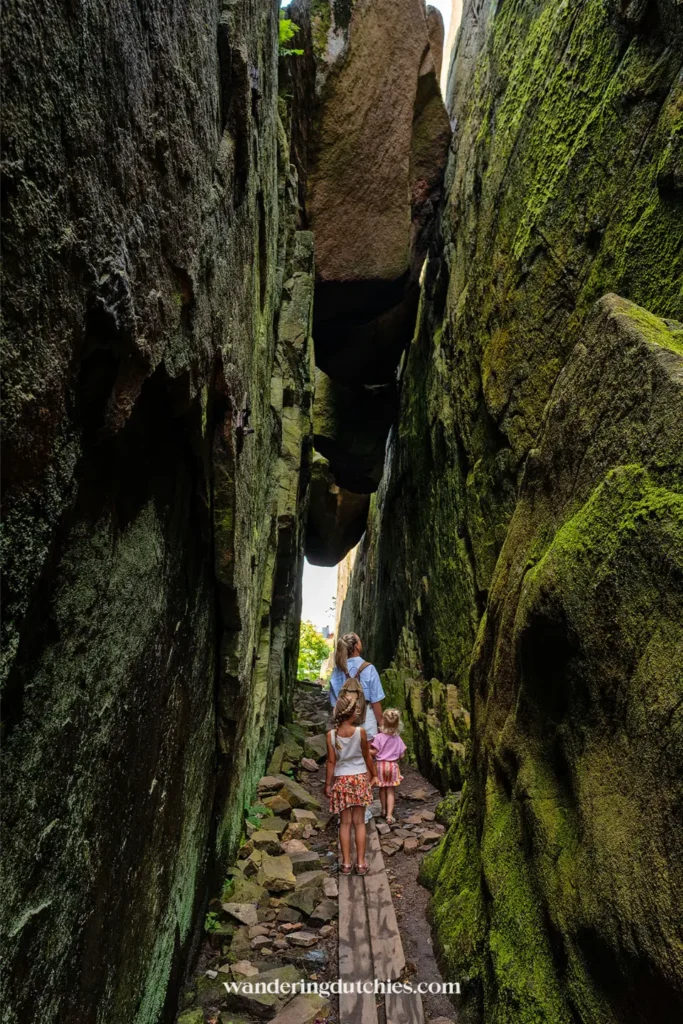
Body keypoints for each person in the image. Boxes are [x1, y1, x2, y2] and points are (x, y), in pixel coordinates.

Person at [325, 689, 378, 875]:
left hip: (341, 780)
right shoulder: (360, 732)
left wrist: (328, 784)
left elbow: (331, 762)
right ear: (349, 713)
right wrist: (374, 774)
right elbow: (366, 756)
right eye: (355, 710)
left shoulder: (331, 735)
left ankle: (346, 864)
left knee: (345, 823)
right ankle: (361, 863)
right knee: (359, 823)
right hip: (359, 779)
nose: (358, 712)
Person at [329, 632, 385, 739]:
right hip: (366, 721)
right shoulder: (369, 668)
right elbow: (375, 702)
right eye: (359, 640)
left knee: (347, 755)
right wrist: (382, 725)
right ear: (357, 646)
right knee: (368, 754)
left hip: (344, 724)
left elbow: (334, 705)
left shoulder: (336, 671)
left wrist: (338, 726)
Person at [370, 708, 407, 824]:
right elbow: (402, 755)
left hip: (380, 766)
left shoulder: (379, 737)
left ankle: (383, 809)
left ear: (383, 722)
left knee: (382, 789)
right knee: (391, 790)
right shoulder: (398, 739)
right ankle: (389, 816)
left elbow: (374, 752)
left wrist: (366, 750)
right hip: (392, 766)